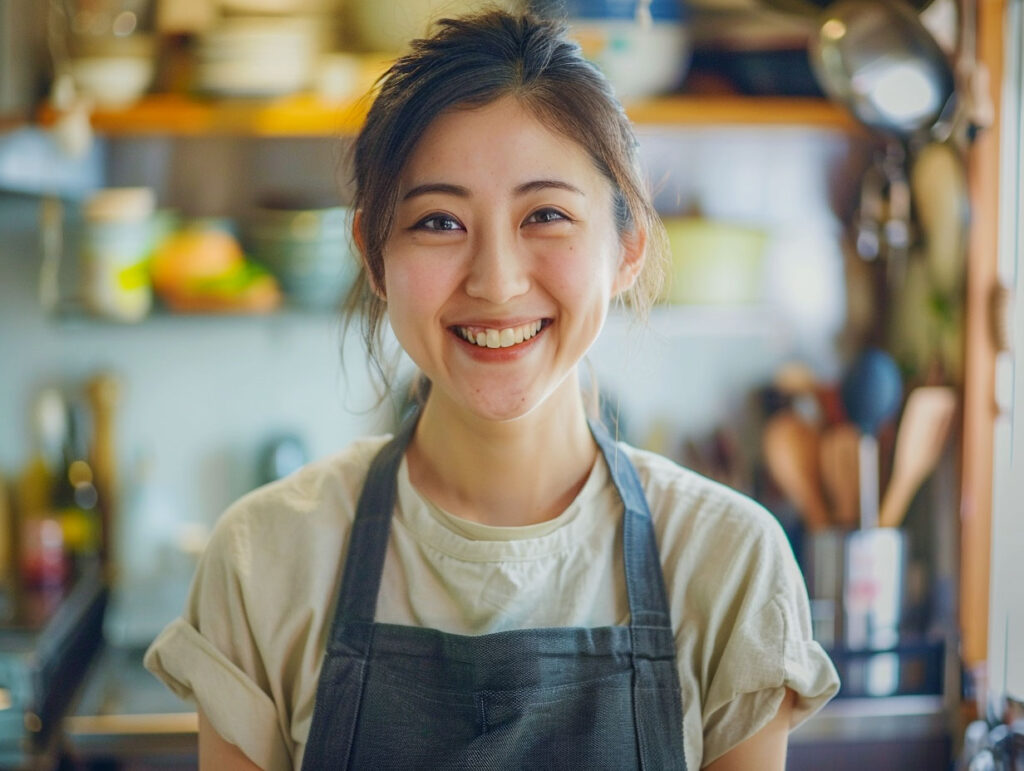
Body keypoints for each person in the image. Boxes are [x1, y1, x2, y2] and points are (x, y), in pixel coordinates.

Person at [144, 10, 839, 770]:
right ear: (372, 258)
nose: (496, 280)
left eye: (546, 214)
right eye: (439, 221)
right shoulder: (264, 560)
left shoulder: (728, 563)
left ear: (628, 245)